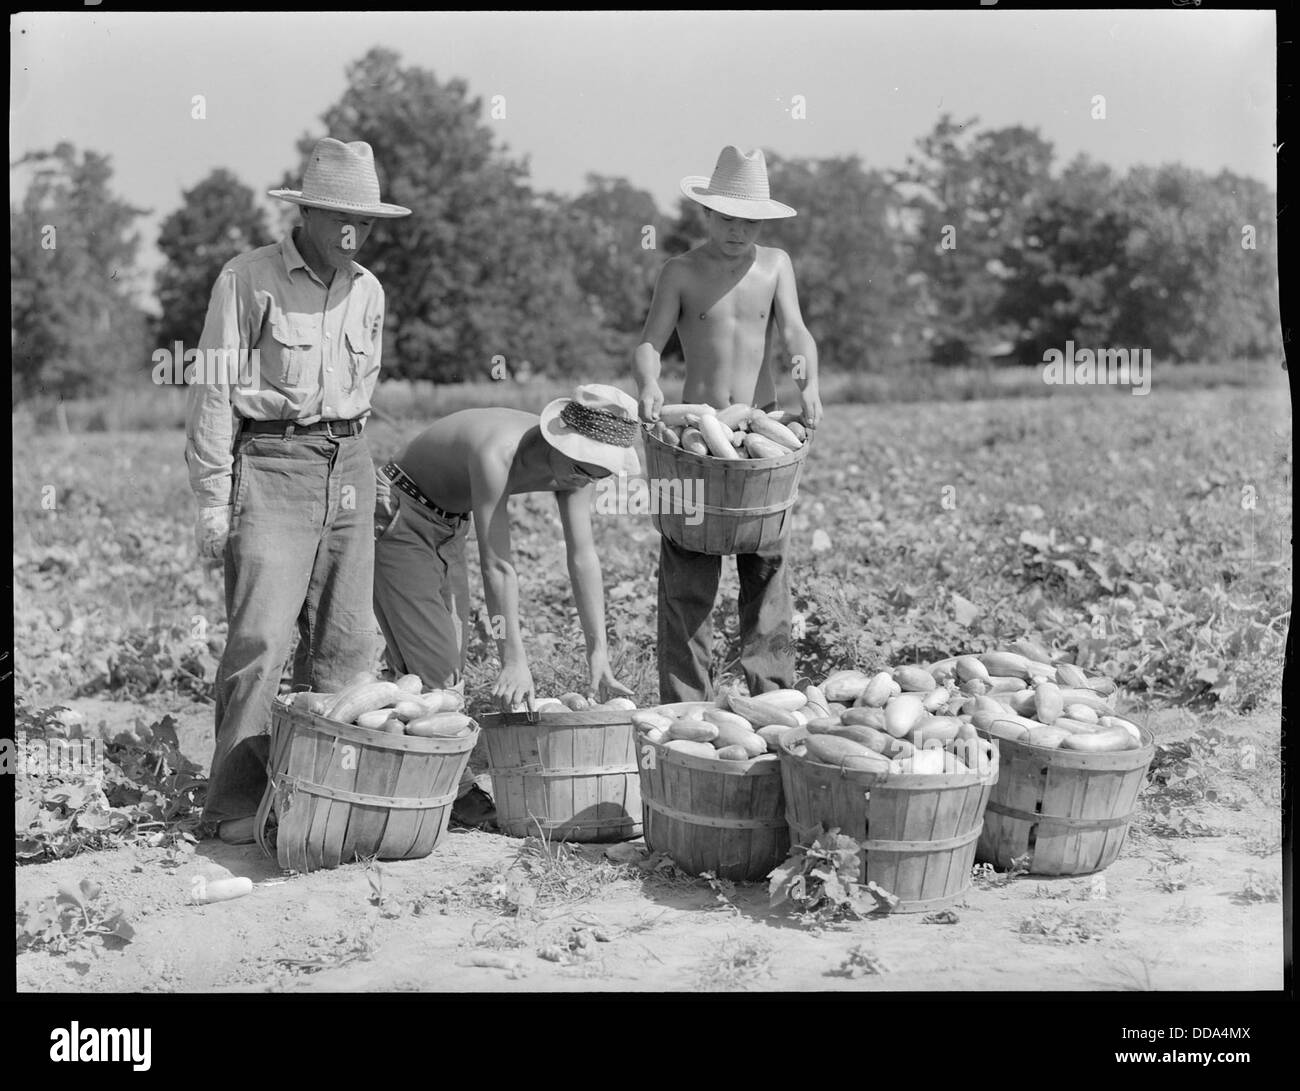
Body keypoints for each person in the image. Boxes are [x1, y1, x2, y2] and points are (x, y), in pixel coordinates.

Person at [186, 138, 411, 844]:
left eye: (367, 221)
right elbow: (215, 393)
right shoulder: (247, 279)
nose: (357, 231)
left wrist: (362, 474)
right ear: (307, 213)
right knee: (260, 639)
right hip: (273, 463)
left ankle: (330, 796)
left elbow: (362, 393)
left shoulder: (369, 290)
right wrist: (212, 502)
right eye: (343, 216)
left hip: (347, 460)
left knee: (349, 646)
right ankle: (233, 805)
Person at [371, 384, 639, 826]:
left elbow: (583, 556)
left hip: (447, 525)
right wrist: (512, 659)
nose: (584, 482)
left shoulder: (577, 468)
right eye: (581, 470)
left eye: (599, 476)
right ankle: (450, 792)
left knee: (442, 666)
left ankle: (407, 769)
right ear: (558, 441)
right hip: (400, 512)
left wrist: (599, 653)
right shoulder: (498, 450)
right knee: (437, 668)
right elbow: (497, 565)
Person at [633, 145, 823, 704]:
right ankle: (685, 703)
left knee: (767, 564)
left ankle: (772, 694)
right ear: (707, 214)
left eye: (749, 221)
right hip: (698, 434)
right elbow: (650, 341)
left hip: (761, 428)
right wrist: (648, 384)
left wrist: (807, 383)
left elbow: (796, 334)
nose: (738, 230)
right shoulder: (681, 271)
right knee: (689, 570)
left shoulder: (775, 266)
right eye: (727, 218)